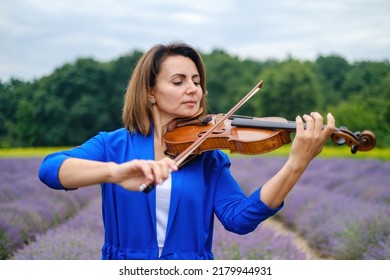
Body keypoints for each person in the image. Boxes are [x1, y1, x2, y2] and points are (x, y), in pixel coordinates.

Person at [38, 42, 335, 260]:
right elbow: (51, 169)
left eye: (196, 81)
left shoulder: (209, 156)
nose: (193, 89)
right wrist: (114, 172)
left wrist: (296, 163)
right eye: (178, 81)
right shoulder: (113, 145)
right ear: (150, 92)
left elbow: (240, 219)